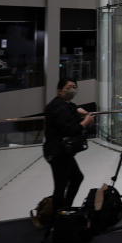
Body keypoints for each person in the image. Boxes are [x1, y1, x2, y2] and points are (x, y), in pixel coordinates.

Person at [43, 78, 94, 212]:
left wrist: (78, 109)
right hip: (57, 152)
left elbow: (70, 108)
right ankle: (58, 217)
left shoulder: (64, 104)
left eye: (74, 87)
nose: (73, 89)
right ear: (60, 90)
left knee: (76, 178)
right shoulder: (57, 106)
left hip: (62, 152)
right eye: (69, 87)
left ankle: (64, 210)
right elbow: (70, 129)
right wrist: (86, 121)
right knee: (61, 185)